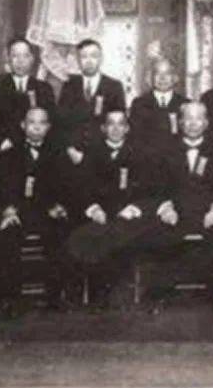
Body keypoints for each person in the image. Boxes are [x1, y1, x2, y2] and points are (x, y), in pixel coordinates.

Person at [142, 102, 213, 314]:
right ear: (180, 122)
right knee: (158, 233)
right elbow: (155, 186)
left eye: (198, 118)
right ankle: (159, 296)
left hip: (209, 213)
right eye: (188, 118)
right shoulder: (165, 149)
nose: (193, 123)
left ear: (206, 123)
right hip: (176, 213)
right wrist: (165, 208)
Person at [63, 110, 161, 310]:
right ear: (103, 128)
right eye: (111, 124)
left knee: (118, 236)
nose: (116, 129)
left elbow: (150, 189)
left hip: (128, 215)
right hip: (100, 214)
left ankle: (114, 293)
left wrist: (133, 208)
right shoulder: (91, 154)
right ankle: (100, 293)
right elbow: (81, 188)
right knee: (91, 235)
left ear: (127, 128)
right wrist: (93, 209)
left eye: (120, 124)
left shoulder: (140, 154)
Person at [0, 106, 71, 315]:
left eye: (41, 123)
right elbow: (3, 188)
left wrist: (59, 206)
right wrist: (8, 210)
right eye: (31, 123)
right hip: (18, 211)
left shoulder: (58, 154)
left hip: (47, 211)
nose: (36, 128)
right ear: (23, 125)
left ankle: (55, 297)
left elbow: (67, 186)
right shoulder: (9, 154)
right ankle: (11, 299)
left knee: (60, 233)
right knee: (7, 236)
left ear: (48, 127)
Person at [0, 38, 56, 153]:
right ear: (8, 59)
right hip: (6, 150)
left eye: (25, 56)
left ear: (32, 59)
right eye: (15, 56)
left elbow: (52, 121)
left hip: (37, 149)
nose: (20, 61)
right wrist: (1, 143)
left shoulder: (44, 88)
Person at [56, 39, 127, 155]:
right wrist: (70, 149)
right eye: (84, 56)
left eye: (94, 56)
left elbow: (119, 124)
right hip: (74, 153)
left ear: (101, 58)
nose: (89, 61)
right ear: (78, 60)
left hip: (104, 154)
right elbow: (61, 122)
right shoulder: (69, 85)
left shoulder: (114, 86)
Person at [129, 58, 188, 156]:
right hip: (146, 161)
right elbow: (135, 140)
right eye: (158, 73)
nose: (162, 78)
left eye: (167, 73)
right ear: (151, 77)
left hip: (177, 162)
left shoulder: (185, 104)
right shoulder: (139, 104)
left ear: (175, 77)